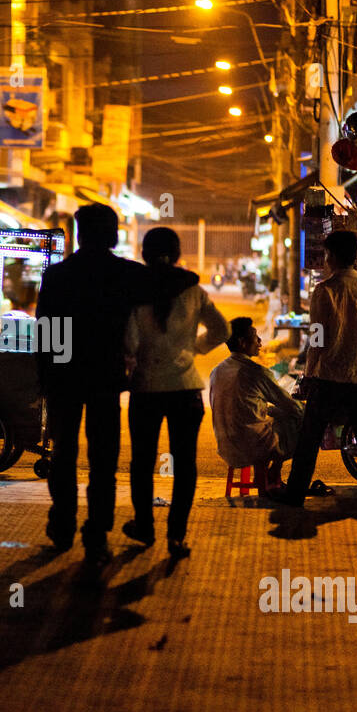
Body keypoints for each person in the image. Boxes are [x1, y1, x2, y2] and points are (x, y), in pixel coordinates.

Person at [35, 203, 150, 564]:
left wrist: (46, 377)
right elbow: (170, 285)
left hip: (64, 377)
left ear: (79, 233)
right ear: (113, 234)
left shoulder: (58, 275)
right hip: (106, 378)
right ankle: (97, 532)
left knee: (63, 454)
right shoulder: (127, 275)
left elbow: (46, 332)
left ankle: (63, 524)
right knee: (104, 460)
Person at [122, 226, 229, 558]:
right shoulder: (194, 291)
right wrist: (194, 349)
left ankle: (144, 526)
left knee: (142, 462)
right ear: (178, 253)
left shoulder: (135, 291)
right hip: (185, 389)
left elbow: (129, 342)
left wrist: (136, 359)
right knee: (185, 464)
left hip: (146, 389)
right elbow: (222, 329)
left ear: (145, 254)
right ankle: (177, 536)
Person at [267, 230, 357, 510]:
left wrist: (308, 374)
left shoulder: (325, 291)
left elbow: (318, 339)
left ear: (331, 256)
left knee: (309, 440)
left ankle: (295, 494)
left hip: (329, 377)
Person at [209, 317, 304, 489]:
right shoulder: (255, 372)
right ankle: (276, 473)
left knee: (280, 416)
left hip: (225, 445)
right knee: (301, 419)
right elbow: (289, 405)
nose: (260, 341)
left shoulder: (217, 371)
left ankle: (273, 475)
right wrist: (304, 410)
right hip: (253, 443)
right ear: (242, 342)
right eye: (255, 336)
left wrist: (273, 411)